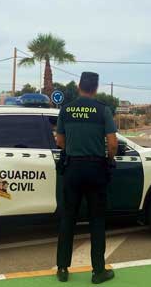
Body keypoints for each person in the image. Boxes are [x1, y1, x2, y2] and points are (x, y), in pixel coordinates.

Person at [55, 72, 118, 284]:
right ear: (96, 87)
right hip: (96, 168)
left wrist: (74, 148)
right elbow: (112, 143)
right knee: (97, 220)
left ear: (79, 86)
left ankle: (63, 269)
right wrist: (109, 159)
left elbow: (60, 141)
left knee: (68, 219)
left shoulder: (66, 109)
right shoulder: (102, 110)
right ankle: (98, 271)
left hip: (72, 168)